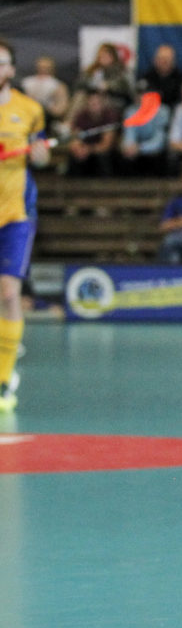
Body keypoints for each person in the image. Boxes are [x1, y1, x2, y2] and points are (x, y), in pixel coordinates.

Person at [0, 39, 51, 413]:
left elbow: (43, 156)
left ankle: (4, 379)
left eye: (2, 63)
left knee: (8, 293)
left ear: (12, 70)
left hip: (16, 213)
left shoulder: (30, 110)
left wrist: (40, 154)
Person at [65, 86, 120, 177]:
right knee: (74, 157)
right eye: (91, 102)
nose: (94, 105)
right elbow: (75, 139)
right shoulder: (81, 116)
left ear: (102, 102)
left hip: (102, 152)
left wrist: (89, 149)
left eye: (97, 102)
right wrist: (78, 149)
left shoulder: (110, 115)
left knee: (103, 157)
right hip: (85, 150)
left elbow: (106, 144)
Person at [19, 55, 70, 136]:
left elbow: (61, 109)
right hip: (25, 116)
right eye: (40, 67)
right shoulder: (27, 83)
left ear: (52, 69)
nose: (43, 70)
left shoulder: (57, 85)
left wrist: (47, 107)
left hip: (48, 118)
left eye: (46, 68)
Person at [139, 43, 182, 110]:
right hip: (148, 110)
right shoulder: (146, 76)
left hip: (172, 111)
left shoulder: (180, 78)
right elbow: (141, 96)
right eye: (161, 58)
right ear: (155, 60)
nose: (164, 62)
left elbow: (180, 100)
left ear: (173, 61)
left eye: (167, 59)